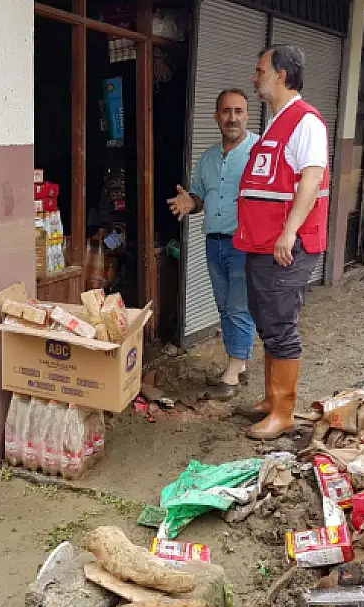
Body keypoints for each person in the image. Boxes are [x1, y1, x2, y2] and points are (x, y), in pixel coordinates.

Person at [234, 44, 331, 440]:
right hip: (262, 243)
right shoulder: (278, 121)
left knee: (280, 324)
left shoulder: (306, 122)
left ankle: (284, 412)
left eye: (260, 71)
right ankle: (272, 398)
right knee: (266, 317)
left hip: (286, 245)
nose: (255, 77)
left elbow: (311, 179)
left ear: (282, 76)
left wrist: (289, 232)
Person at [167, 89, 259, 400]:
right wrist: (188, 203)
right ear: (216, 116)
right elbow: (200, 198)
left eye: (238, 111)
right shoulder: (207, 158)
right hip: (214, 242)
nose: (232, 118)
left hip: (245, 243)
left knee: (239, 306)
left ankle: (232, 373)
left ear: (247, 115)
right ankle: (240, 363)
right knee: (225, 306)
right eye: (226, 111)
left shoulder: (260, 151)